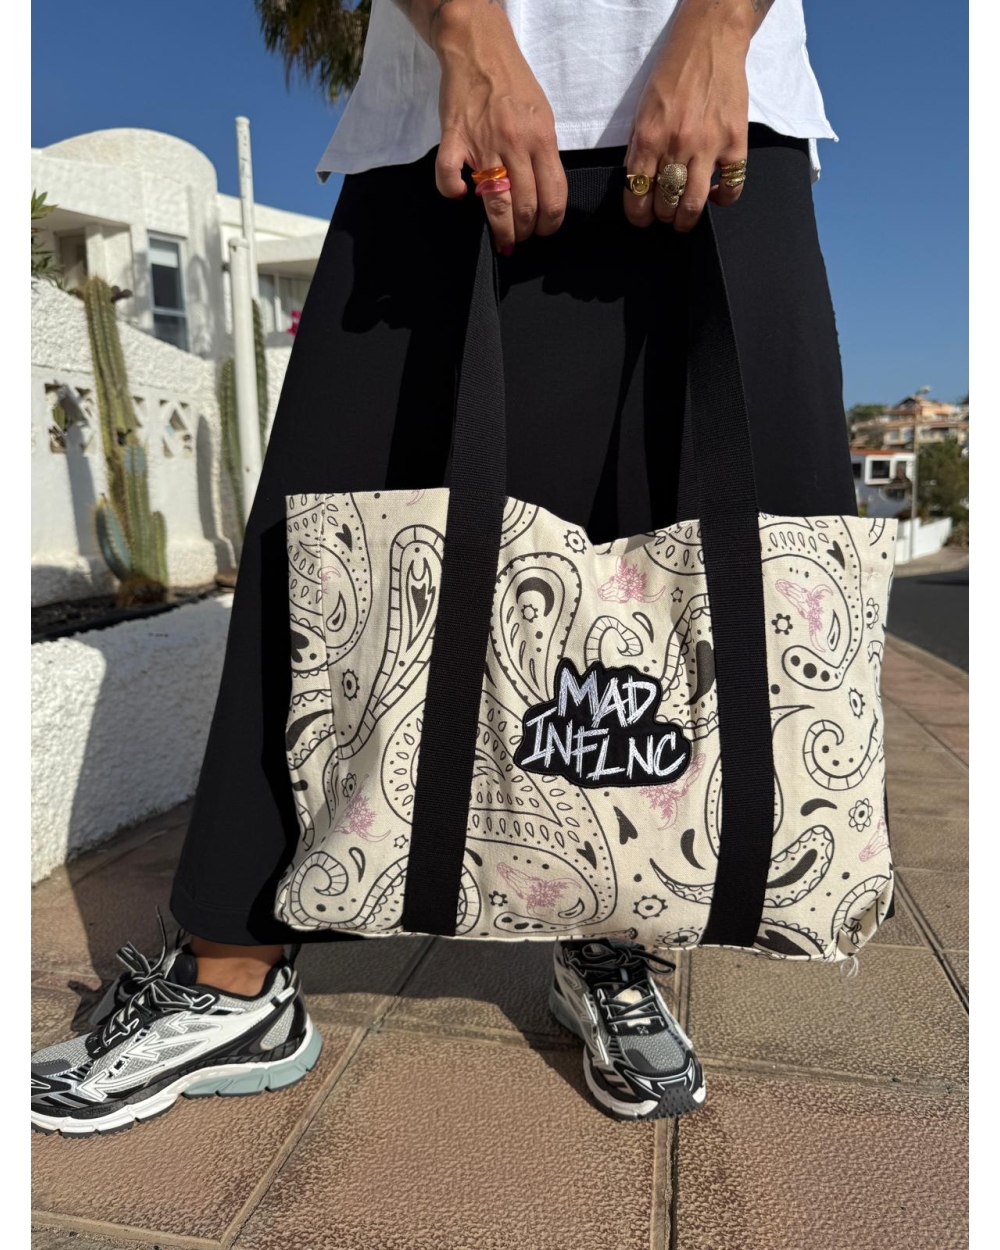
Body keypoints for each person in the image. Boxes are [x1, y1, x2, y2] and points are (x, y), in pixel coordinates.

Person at [31, 0, 853, 1134]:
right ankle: (230, 975)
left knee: (660, 548)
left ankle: (610, 933)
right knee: (326, 525)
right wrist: (468, 37)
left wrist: (718, 29)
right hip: (438, 115)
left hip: (722, 104)